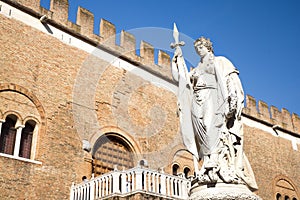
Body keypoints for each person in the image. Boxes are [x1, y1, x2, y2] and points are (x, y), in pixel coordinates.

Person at [171, 36, 257, 190]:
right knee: (202, 131)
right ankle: (207, 161)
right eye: (197, 48)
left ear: (208, 47)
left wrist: (231, 102)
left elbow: (231, 80)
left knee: (212, 128)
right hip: (198, 101)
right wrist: (177, 61)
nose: (199, 50)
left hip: (213, 98)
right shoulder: (196, 69)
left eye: (201, 47)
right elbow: (181, 79)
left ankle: (215, 161)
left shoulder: (220, 61)